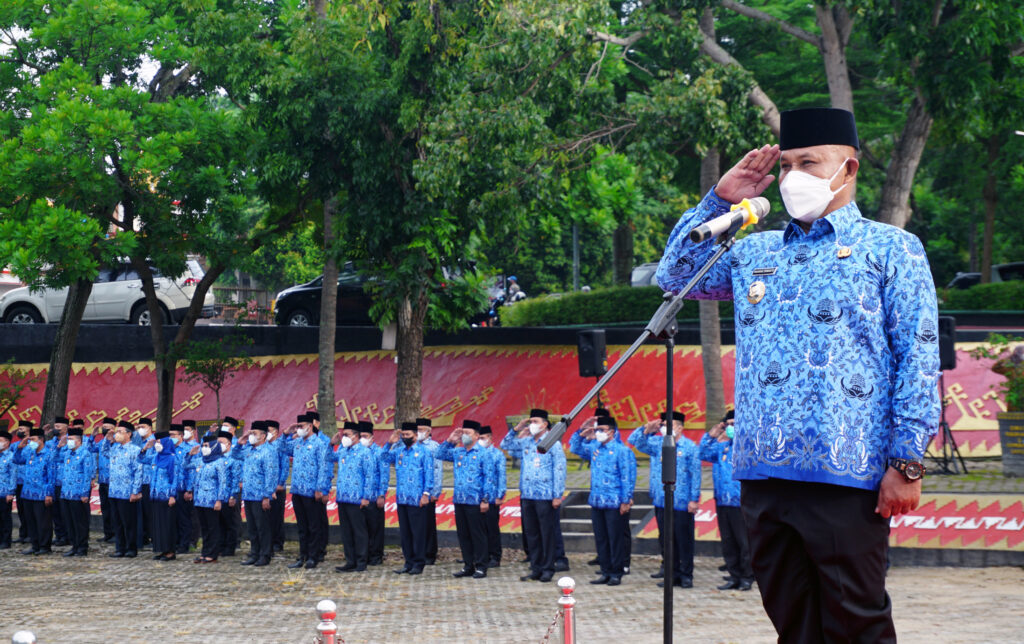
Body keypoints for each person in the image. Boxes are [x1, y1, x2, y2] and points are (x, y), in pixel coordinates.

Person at [656, 107, 940, 642]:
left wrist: (907, 461)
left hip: (847, 474)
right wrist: (721, 198)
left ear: (849, 168)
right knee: (792, 623)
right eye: (785, 165)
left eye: (808, 162)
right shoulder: (754, 251)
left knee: (856, 622)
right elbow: (675, 275)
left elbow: (918, 357)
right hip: (763, 476)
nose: (792, 178)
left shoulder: (892, 249)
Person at [501, 409, 566, 583]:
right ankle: (535, 567)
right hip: (527, 494)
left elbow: (559, 469)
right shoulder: (527, 442)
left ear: (545, 424)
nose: (532, 425)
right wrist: (516, 429)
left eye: (535, 421)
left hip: (545, 495)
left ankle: (548, 568)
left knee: (547, 533)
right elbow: (505, 444)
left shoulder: (553, 443)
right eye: (530, 421)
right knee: (532, 533)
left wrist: (557, 495)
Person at [569, 415, 636, 586]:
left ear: (612, 432)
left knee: (615, 538)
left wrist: (626, 500)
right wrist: (582, 431)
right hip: (597, 500)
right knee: (601, 538)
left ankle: (616, 572)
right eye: (597, 430)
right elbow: (575, 448)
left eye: (602, 430)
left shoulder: (622, 451)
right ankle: (605, 571)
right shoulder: (595, 448)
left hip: (614, 501)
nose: (598, 433)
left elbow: (627, 477)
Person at [699, 410, 753, 591]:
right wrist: (711, 435)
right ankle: (734, 575)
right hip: (722, 500)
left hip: (740, 501)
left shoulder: (748, 446)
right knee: (728, 541)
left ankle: (747, 576)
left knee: (743, 542)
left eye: (734, 424)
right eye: (728, 424)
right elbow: (704, 453)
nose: (731, 428)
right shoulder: (722, 446)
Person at [437, 419, 494, 579]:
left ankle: (481, 566)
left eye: (468, 433)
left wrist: (485, 499)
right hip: (460, 499)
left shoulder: (484, 453)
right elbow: (439, 454)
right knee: (464, 535)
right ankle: (468, 565)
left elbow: (489, 478)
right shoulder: (458, 452)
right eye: (463, 433)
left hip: (476, 500)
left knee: (478, 534)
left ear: (477, 435)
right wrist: (450, 440)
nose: (465, 436)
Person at [278, 414, 331, 569]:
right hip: (297, 490)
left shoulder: (319, 444)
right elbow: (281, 447)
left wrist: (319, 488)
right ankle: (303, 555)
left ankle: (313, 557)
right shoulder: (297, 443)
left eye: (302, 426)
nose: (299, 429)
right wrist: (286, 433)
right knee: (302, 526)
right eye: (298, 426)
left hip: (311, 491)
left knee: (314, 526)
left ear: (310, 426)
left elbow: (323, 467)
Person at [381, 421, 435, 575]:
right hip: (402, 498)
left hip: (417, 498)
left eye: (408, 435)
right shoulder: (399, 451)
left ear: (416, 436)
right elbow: (383, 457)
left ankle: (419, 562)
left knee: (417, 532)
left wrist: (426, 494)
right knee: (405, 533)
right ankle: (408, 562)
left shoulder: (424, 452)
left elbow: (429, 474)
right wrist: (389, 443)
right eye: (403, 435)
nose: (405, 437)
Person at [327, 421, 374, 573]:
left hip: (357, 498)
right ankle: (350, 561)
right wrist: (331, 444)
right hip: (342, 497)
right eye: (343, 435)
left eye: (346, 435)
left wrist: (366, 497)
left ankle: (361, 562)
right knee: (346, 532)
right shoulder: (342, 450)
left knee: (359, 531)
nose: (343, 437)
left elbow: (369, 476)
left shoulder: (365, 452)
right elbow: (328, 458)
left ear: (356, 436)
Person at [239, 421, 278, 567]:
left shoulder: (268, 451)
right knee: (252, 527)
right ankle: (254, 553)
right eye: (251, 433)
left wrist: (267, 495)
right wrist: (241, 441)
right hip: (248, 494)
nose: (252, 436)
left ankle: (265, 555)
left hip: (260, 495)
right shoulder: (249, 450)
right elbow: (236, 454)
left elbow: (271, 475)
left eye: (254, 433)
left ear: (263, 436)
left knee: (263, 527)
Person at [14, 424, 56, 555]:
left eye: (32, 439)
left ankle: (45, 546)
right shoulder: (29, 452)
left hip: (42, 493)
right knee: (31, 520)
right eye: (30, 440)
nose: (30, 442)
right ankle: (35, 545)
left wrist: (49, 493)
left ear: (41, 439)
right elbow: (17, 460)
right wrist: (20, 448)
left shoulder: (49, 454)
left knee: (43, 522)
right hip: (27, 493)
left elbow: (51, 475)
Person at [107, 421, 143, 558]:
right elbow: (104, 452)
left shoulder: (135, 450)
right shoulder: (115, 448)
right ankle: (120, 548)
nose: (117, 434)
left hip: (127, 492)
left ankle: (131, 548)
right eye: (117, 431)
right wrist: (108, 438)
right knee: (117, 522)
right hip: (114, 491)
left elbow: (138, 472)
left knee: (129, 522)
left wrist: (135, 491)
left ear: (129, 434)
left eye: (120, 432)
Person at [58, 425, 95, 557]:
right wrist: (58, 447)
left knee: (80, 522)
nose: (69, 441)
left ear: (79, 441)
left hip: (78, 494)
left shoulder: (85, 454)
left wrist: (85, 493)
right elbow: (54, 458)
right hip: (66, 493)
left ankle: (82, 547)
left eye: (71, 439)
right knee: (69, 521)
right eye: (68, 439)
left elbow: (87, 475)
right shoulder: (67, 452)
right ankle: (74, 546)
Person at [192, 435, 228, 564]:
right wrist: (190, 454)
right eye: (203, 446)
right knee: (204, 528)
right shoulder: (201, 461)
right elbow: (185, 465)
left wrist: (219, 500)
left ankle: (212, 554)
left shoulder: (219, 462)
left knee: (213, 527)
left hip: (212, 500)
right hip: (199, 499)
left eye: (206, 446)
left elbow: (222, 482)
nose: (204, 448)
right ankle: (204, 552)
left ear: (213, 447)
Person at [358, 420, 388, 566]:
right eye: (360, 435)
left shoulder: (379, 452)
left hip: (375, 496)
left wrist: (381, 494)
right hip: (360, 496)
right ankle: (364, 555)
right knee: (362, 528)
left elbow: (384, 474)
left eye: (365, 435)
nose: (362, 438)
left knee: (375, 528)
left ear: (372, 437)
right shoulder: (357, 451)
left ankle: (376, 556)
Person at [415, 417, 442, 565]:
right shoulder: (413, 446)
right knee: (417, 524)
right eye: (417, 430)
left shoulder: (433, 447)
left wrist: (434, 492)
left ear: (428, 431)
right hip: (413, 493)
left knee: (428, 524)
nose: (418, 433)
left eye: (421, 430)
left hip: (428, 491)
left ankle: (429, 554)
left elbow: (437, 470)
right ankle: (417, 552)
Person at [478, 425, 506, 568]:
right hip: (477, 496)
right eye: (478, 438)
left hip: (492, 496)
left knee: (491, 527)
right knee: (478, 528)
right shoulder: (474, 453)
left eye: (483, 438)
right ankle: (480, 555)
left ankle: (495, 556)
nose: (480, 441)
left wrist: (500, 495)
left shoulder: (497, 454)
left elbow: (501, 476)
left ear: (490, 438)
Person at [148, 429, 178, 561]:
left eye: (159, 442)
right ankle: (162, 549)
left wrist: (172, 495)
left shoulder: (172, 458)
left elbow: (174, 478)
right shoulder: (155, 457)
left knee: (167, 524)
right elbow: (141, 459)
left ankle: (170, 551)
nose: (157, 444)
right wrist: (145, 448)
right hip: (155, 496)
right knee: (158, 525)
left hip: (166, 497)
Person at [88, 418, 117, 543]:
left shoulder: (117, 442)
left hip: (114, 482)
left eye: (108, 427)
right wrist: (92, 436)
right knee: (105, 508)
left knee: (114, 509)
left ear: (114, 429)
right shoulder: (101, 442)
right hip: (103, 481)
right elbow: (90, 449)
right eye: (104, 426)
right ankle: (108, 533)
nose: (105, 429)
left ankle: (116, 534)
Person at [175, 421, 199, 554]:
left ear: (194, 431)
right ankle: (180, 542)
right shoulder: (179, 445)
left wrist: (189, 489)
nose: (185, 432)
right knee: (179, 517)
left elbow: (193, 470)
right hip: (177, 486)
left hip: (188, 487)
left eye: (188, 429)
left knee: (189, 518)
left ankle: (190, 542)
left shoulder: (197, 447)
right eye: (183, 429)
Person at [265, 419, 289, 553]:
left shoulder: (280, 446)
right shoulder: (264, 446)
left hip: (277, 488)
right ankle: (267, 542)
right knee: (266, 517)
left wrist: (280, 483)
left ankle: (277, 542)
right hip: (266, 488)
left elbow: (285, 466)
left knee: (276, 517)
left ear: (275, 432)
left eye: (268, 431)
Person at [217, 429, 242, 557]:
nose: (219, 445)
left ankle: (230, 547)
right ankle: (221, 546)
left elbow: (236, 479)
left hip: (229, 496)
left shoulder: (233, 458)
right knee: (220, 523)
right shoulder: (216, 458)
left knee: (230, 523)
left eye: (222, 442)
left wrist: (233, 495)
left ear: (229, 444)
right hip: (218, 497)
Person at [48, 416, 71, 547]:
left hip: (65, 482)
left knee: (65, 511)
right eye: (55, 426)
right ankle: (59, 535)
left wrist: (61, 447)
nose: (56, 429)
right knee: (55, 511)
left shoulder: (71, 440)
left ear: (66, 428)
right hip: (53, 481)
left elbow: (65, 458)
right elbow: (50, 458)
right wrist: (57, 447)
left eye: (58, 426)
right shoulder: (51, 442)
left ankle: (68, 536)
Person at [132, 417, 155, 548]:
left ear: (149, 428)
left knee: (149, 511)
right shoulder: (138, 441)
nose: (140, 429)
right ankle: (143, 537)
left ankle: (152, 536)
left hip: (149, 480)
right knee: (140, 512)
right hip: (139, 480)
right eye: (139, 427)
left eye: (143, 427)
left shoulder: (153, 442)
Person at [13, 420, 31, 544]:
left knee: (29, 509)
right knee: (21, 509)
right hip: (17, 482)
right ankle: (22, 534)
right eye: (19, 429)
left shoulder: (33, 444)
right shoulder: (15, 445)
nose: (20, 431)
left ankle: (31, 534)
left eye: (22, 429)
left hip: (28, 482)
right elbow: (14, 459)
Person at [0, 425, 15, 549]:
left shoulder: (11, 456)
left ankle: (6, 540)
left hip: (5, 492)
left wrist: (11, 492)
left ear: (7, 442)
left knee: (5, 516)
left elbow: (13, 476)